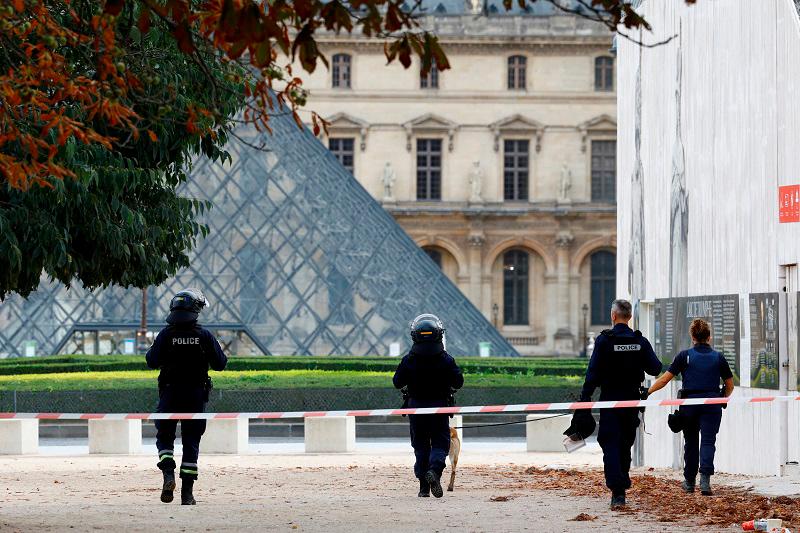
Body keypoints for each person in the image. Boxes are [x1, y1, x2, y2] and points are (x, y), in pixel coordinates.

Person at [575, 299, 662, 508]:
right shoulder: (639, 341)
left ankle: (618, 491)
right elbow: (655, 368)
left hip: (609, 403)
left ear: (613, 316)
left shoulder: (605, 340)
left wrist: (584, 398)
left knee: (610, 444)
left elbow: (592, 373)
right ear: (630, 317)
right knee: (624, 445)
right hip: (631, 402)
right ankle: (621, 483)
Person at [145, 288, 227, 505]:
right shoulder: (204, 335)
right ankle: (187, 495)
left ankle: (168, 474)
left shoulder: (165, 335)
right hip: (195, 396)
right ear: (196, 310)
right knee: (191, 442)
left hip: (169, 394)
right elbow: (220, 364)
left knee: (164, 437)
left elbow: (151, 361)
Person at [647, 318, 734, 496]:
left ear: (692, 336)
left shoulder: (684, 356)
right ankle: (705, 482)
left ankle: (689, 481)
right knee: (709, 441)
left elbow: (664, 380)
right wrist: (721, 397)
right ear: (709, 337)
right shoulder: (718, 358)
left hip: (690, 405)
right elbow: (730, 385)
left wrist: (647, 392)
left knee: (691, 443)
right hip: (712, 404)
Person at [393, 314, 464, 498]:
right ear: (439, 335)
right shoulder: (446, 359)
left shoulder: (408, 360)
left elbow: (397, 382)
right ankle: (434, 470)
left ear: (414, 335)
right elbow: (458, 383)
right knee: (440, 444)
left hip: (416, 408)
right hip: (439, 408)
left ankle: (424, 487)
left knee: (421, 447)